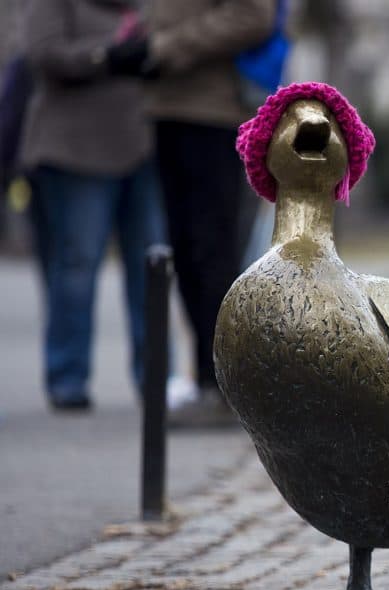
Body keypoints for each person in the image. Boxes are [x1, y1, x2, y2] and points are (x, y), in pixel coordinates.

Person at [20, 0, 165, 410]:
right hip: (74, 150)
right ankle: (67, 378)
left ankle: (155, 380)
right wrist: (106, 55)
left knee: (152, 267)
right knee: (77, 266)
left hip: (141, 145)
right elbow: (42, 52)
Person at [140, 0, 278, 427]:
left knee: (212, 251)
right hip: (166, 106)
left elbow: (254, 15)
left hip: (215, 111)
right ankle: (204, 382)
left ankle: (224, 388)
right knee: (185, 251)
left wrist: (166, 46)